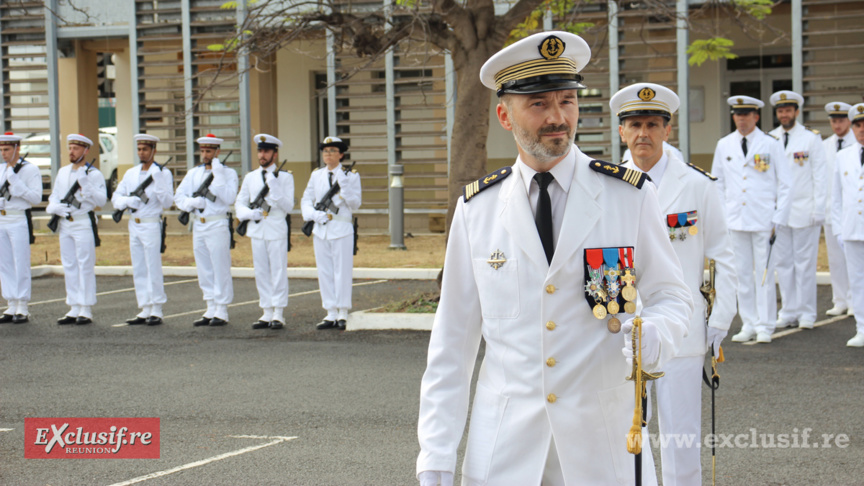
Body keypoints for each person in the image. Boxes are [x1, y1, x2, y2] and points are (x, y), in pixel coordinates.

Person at [416, 31, 693, 486]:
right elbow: (451, 347)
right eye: (539, 104)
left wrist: (659, 332)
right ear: (505, 115)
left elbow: (670, 295)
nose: (558, 117)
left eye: (567, 101)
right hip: (505, 452)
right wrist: (436, 458)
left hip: (602, 448)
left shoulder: (628, 196)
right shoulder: (478, 210)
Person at [612, 83, 736, 485]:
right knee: (626, 438)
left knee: (681, 438)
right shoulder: (607, 185)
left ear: (668, 130)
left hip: (681, 330)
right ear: (621, 132)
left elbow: (722, 255)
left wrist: (721, 316)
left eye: (652, 124)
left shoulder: (698, 185)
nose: (642, 133)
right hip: (622, 328)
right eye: (634, 124)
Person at [711, 96, 791, 344]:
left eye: (746, 114)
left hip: (764, 220)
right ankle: (748, 322)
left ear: (756, 116)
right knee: (742, 275)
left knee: (764, 275)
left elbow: (786, 184)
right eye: (737, 114)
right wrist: (723, 217)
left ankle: (765, 325)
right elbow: (718, 183)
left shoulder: (771, 143)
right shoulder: (724, 144)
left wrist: (778, 219)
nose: (741, 119)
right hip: (736, 220)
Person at [768, 90, 828, 331]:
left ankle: (807, 312)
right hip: (779, 214)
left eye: (788, 110)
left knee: (804, 264)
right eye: (780, 111)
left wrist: (819, 208)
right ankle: (789, 310)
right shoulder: (770, 139)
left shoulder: (811, 139)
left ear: (796, 111)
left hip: (805, 211)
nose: (784, 114)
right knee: (783, 264)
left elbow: (820, 176)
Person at [174, 133, 238, 327]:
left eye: (209, 151)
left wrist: (218, 177)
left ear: (218, 152)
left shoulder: (228, 173)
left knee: (220, 266)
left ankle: (222, 309)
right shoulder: (194, 173)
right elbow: (178, 196)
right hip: (198, 224)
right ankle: (210, 306)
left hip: (217, 223)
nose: (205, 154)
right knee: (204, 267)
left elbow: (229, 198)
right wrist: (192, 202)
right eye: (202, 151)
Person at [111, 134, 174, 326]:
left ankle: (157, 308)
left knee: (152, 266)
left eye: (145, 149)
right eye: (139, 149)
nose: (141, 153)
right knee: (139, 267)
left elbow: (168, 202)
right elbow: (116, 197)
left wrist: (160, 182)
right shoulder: (131, 173)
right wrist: (127, 201)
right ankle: (145, 307)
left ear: (154, 150)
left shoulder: (163, 173)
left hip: (151, 223)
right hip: (134, 223)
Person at [301, 136, 361, 331]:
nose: (328, 154)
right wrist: (313, 215)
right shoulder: (316, 175)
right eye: (325, 151)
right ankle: (330, 312)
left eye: (332, 151)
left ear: (341, 155)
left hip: (341, 229)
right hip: (321, 230)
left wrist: (344, 186)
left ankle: (343, 311)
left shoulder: (350, 176)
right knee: (325, 272)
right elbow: (306, 200)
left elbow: (355, 204)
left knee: (342, 271)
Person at [46, 134, 107, 325]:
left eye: (76, 148)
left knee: (85, 264)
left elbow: (101, 201)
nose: (72, 152)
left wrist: (87, 185)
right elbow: (54, 195)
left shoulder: (93, 174)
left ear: (86, 151)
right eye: (70, 148)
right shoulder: (63, 172)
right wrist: (53, 207)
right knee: (69, 264)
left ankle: (86, 308)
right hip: (65, 222)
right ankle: (73, 306)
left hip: (82, 222)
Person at [235, 134, 294, 329]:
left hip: (276, 228)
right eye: (260, 151)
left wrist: (276, 190)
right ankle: (266, 311)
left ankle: (278, 312)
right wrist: (249, 214)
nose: (262, 154)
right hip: (257, 229)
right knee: (261, 272)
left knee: (277, 271)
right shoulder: (251, 177)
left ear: (275, 154)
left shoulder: (285, 177)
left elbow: (288, 207)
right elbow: (240, 202)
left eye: (266, 151)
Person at [830, 103, 864, 348]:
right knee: (858, 282)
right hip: (852, 229)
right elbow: (836, 197)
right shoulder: (843, 156)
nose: (861, 130)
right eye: (857, 125)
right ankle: (862, 327)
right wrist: (839, 229)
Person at [0, 132, 42, 324]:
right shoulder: (0, 169)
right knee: (5, 263)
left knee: (20, 262)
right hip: (1, 219)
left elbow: (35, 198)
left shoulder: (30, 170)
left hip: (18, 219)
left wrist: (17, 183)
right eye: (1, 149)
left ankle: (22, 306)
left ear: (17, 149)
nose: (3, 153)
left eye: (7, 149)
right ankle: (10, 303)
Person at [822, 101, 855, 317]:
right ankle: (840, 299)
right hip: (831, 210)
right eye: (834, 121)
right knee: (835, 259)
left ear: (850, 122)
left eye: (841, 120)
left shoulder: (856, 144)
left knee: (852, 260)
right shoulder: (825, 145)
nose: (837, 124)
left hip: (852, 211)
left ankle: (855, 300)